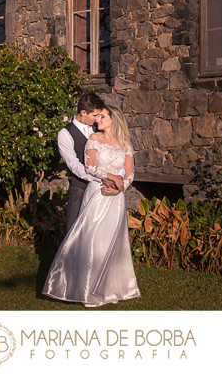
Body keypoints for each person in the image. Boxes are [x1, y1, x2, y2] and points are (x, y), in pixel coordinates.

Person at [43, 104, 141, 307]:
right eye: (98, 116)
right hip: (97, 192)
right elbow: (91, 167)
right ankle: (87, 289)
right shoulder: (93, 139)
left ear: (114, 118)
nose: (98, 120)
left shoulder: (125, 144)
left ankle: (112, 288)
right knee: (92, 238)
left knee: (112, 241)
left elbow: (130, 173)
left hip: (115, 198)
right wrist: (112, 177)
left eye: (103, 116)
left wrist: (119, 188)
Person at [58, 92, 119, 232]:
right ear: (83, 112)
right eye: (95, 115)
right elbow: (74, 165)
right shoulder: (65, 134)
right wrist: (99, 178)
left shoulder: (99, 128)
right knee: (73, 232)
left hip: (104, 189)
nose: (98, 119)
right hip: (80, 188)